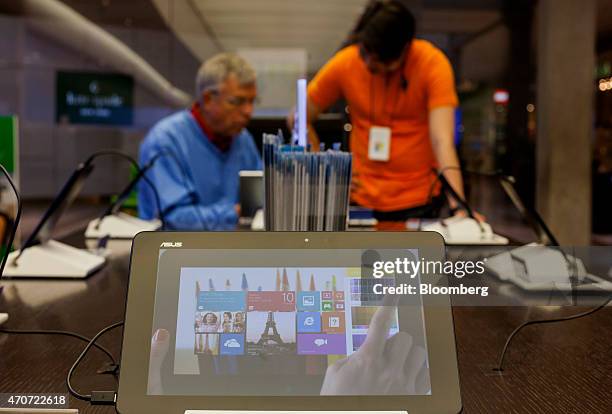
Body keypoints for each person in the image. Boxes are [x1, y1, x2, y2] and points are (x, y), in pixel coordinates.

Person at [292, 0, 479, 222]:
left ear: (405, 50)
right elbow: (298, 118)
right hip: (360, 201)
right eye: (365, 53)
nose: (370, 63)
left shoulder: (432, 64)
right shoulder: (346, 63)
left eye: (381, 60)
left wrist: (459, 208)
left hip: (420, 202)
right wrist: (325, 170)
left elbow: (442, 141)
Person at [139, 53, 262, 230]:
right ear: (207, 99)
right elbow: (173, 220)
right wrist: (236, 214)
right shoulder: (165, 141)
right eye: (237, 101)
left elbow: (258, 199)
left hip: (232, 251)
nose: (248, 111)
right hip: (174, 253)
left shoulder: (243, 140)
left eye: (252, 101)